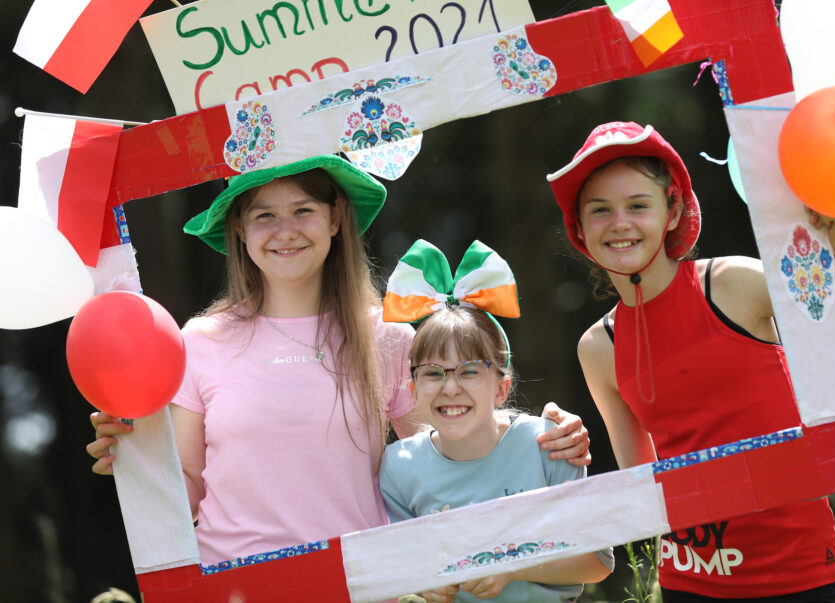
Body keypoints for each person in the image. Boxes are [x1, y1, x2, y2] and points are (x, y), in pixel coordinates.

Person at [86, 155, 591, 567]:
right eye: (264, 214)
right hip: (234, 585)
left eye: (303, 210)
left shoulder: (388, 337)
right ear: (239, 228)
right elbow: (189, 488)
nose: (285, 230)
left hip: (363, 581)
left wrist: (539, 439)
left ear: (334, 218)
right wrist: (136, 460)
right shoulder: (200, 339)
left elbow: (450, 455)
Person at [545, 122, 835, 602]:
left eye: (638, 205)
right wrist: (569, 447)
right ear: (580, 229)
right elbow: (644, 486)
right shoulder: (598, 346)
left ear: (672, 209)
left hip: (800, 575)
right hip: (692, 583)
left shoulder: (735, 286)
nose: (619, 223)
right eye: (600, 210)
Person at [377, 239, 613, 603]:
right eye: (433, 373)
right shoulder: (397, 467)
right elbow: (401, 567)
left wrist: (511, 565)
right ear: (413, 389)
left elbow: (597, 560)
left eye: (469, 371)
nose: (450, 388)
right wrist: (425, 583)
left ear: (501, 388)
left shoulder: (549, 442)